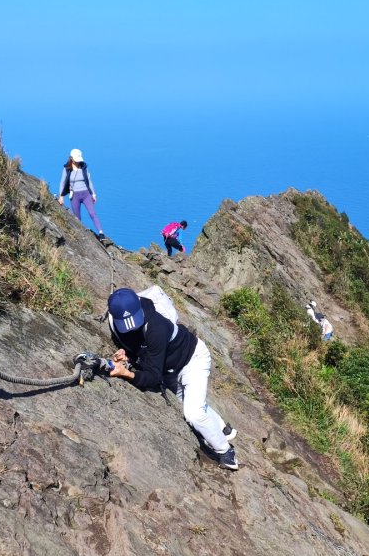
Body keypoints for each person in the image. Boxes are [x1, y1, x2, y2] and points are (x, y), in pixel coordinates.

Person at [107, 287, 239, 470]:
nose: (132, 327)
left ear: (139, 308)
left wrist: (126, 373)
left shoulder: (157, 326)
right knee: (190, 404)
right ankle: (224, 429)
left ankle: (226, 451)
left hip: (193, 359)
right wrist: (127, 355)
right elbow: (137, 346)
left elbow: (152, 376)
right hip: (169, 369)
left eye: (134, 321)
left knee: (194, 414)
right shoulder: (114, 322)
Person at [58, 148, 106, 242]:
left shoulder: (84, 167)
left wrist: (93, 194)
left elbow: (89, 181)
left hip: (86, 194)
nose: (78, 162)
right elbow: (62, 182)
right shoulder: (67, 169)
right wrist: (61, 196)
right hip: (74, 196)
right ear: (71, 158)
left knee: (92, 213)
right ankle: (80, 236)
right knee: (77, 218)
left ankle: (101, 233)